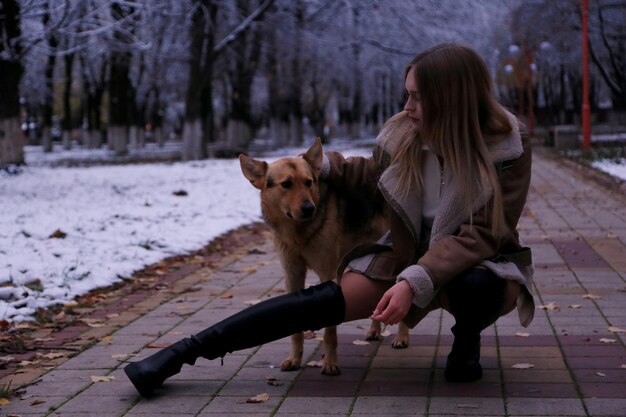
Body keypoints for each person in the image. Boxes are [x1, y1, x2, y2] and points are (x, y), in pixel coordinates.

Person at [124, 43, 535, 397]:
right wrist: (313, 168)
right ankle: (177, 356)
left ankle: (466, 340)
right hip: (405, 255)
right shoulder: (404, 134)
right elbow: (370, 173)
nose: (406, 107)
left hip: (475, 265)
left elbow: (481, 235)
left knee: (477, 286)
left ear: (452, 99)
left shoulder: (507, 149)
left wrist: (415, 281)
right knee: (315, 304)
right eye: (406, 94)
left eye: (417, 98)